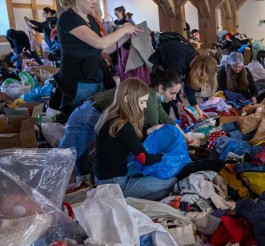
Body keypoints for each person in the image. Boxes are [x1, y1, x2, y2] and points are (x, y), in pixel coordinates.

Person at [60, 66, 189, 178]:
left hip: (95, 115)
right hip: (87, 116)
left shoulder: (150, 96)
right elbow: (151, 135)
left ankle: (83, 183)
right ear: (161, 88)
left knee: (83, 156)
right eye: (173, 93)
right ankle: (48, 193)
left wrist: (185, 135)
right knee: (66, 158)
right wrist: (164, 155)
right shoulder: (147, 100)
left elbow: (165, 118)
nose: (174, 98)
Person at [51, 0, 140, 118]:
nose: (95, 2)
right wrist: (123, 29)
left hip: (95, 76)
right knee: (82, 120)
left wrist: (126, 36)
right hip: (79, 80)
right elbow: (100, 42)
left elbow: (104, 49)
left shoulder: (90, 18)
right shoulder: (68, 18)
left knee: (97, 120)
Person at [93, 78, 177, 200]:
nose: (145, 106)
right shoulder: (124, 126)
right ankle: (125, 201)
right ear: (127, 100)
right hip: (116, 184)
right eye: (142, 102)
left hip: (105, 176)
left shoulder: (110, 116)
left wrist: (148, 131)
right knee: (172, 181)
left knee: (150, 172)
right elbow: (145, 159)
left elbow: (129, 140)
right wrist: (163, 155)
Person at [148, 38, 217, 109]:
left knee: (173, 102)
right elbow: (170, 87)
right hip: (151, 68)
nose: (201, 77)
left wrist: (196, 107)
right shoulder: (179, 61)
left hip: (165, 73)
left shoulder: (194, 60)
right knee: (164, 103)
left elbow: (189, 87)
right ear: (199, 66)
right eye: (202, 74)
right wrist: (179, 104)